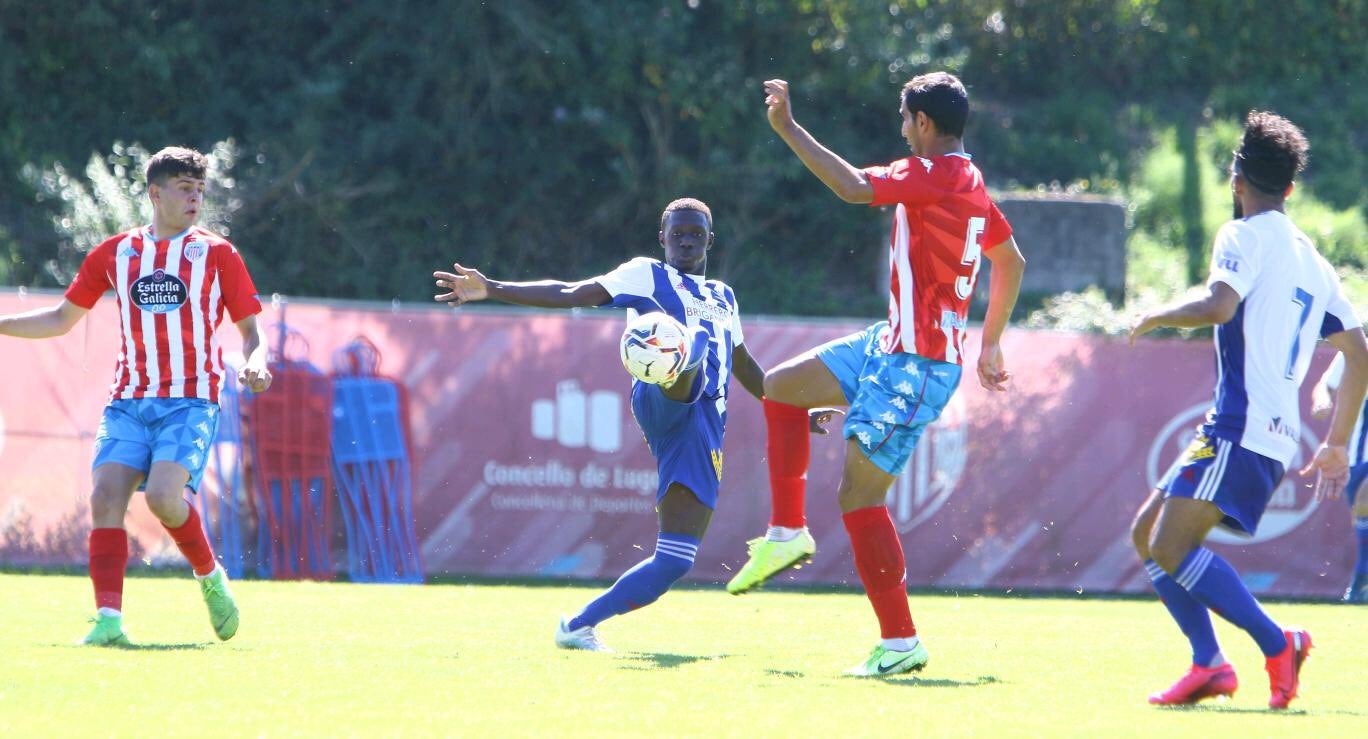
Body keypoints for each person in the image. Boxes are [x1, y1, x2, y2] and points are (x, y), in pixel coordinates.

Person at [728, 73, 1026, 676]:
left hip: (916, 364)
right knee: (782, 388)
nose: (901, 131)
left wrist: (787, 128)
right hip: (890, 343)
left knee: (860, 496)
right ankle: (787, 532)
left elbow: (853, 186)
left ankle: (899, 642)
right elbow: (1011, 261)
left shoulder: (934, 174)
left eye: (904, 119)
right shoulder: (968, 182)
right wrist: (989, 342)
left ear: (922, 122)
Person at [433, 198, 768, 651]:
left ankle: (578, 625)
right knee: (685, 361)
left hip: (703, 426)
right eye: (677, 232)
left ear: (710, 239)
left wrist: (791, 409)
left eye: (694, 233)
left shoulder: (724, 297)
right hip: (662, 395)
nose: (685, 240)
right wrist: (491, 287)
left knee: (675, 560)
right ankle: (684, 354)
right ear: (662, 238)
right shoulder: (646, 274)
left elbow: (745, 365)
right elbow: (573, 292)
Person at [1129, 111, 1367, 709]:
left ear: (1236, 180)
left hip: (1241, 427)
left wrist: (1157, 313)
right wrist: (1337, 441)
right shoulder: (1315, 262)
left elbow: (1218, 305)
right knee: (1147, 536)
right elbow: (1360, 354)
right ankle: (1209, 665)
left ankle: (1276, 641)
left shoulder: (1242, 235)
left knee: (1167, 548)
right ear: (1290, 187)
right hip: (1261, 432)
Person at [0, 146, 272, 646]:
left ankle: (210, 577)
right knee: (106, 497)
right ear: (155, 193)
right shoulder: (116, 252)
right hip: (129, 399)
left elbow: (251, 332)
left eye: (199, 190)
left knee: (167, 500)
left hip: (191, 400)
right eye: (184, 189)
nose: (194, 198)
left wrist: (256, 361)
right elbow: (62, 319)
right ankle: (108, 622)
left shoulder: (217, 253)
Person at [1310, 351, 1368, 602]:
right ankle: (1361, 580)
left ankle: (1360, 578)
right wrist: (1322, 401)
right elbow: (1326, 384)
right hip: (1355, 455)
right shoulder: (1356, 347)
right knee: (1361, 511)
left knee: (1365, 501)